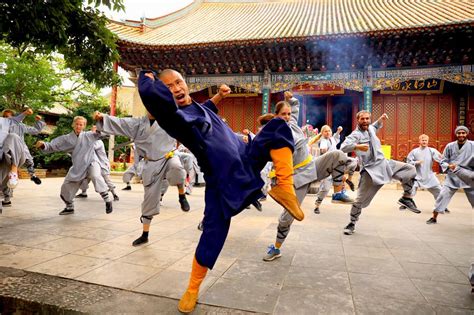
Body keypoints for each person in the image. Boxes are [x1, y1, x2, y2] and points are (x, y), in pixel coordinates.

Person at [138, 69, 304, 313]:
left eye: (179, 82)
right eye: (169, 86)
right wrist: (146, 77)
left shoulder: (198, 106)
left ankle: (285, 187)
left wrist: (220, 97)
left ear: (186, 83)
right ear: (164, 92)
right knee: (214, 233)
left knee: (278, 126)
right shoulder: (173, 117)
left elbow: (206, 107)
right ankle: (193, 288)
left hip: (245, 156)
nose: (177, 88)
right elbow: (154, 99)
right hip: (221, 177)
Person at [263, 93, 353, 262]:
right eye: (283, 114)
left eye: (289, 114)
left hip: (312, 166)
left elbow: (295, 108)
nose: (288, 117)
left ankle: (337, 193)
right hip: (296, 178)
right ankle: (276, 247)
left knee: (338, 155)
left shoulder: (294, 126)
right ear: (276, 116)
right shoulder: (274, 133)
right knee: (287, 217)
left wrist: (291, 99)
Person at [94, 110, 189, 246]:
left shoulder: (169, 120)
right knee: (149, 200)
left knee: (177, 168)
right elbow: (119, 122)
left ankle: (182, 195)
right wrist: (103, 118)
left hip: (168, 157)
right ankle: (145, 235)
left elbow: (189, 122)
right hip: (150, 163)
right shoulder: (137, 123)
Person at [340, 111, 419, 235]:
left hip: (384, 163)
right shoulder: (355, 135)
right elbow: (343, 147)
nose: (365, 121)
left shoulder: (371, 128)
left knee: (410, 169)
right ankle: (352, 223)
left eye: (367, 118)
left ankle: (406, 198)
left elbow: (375, 125)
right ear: (358, 120)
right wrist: (357, 147)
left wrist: (381, 119)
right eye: (363, 119)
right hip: (370, 170)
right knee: (359, 200)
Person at [36, 116, 113, 215]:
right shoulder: (66, 138)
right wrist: (43, 145)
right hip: (78, 166)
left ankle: (107, 200)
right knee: (66, 187)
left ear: (84, 126)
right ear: (73, 125)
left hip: (92, 162)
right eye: (77, 124)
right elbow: (52, 145)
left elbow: (104, 134)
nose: (78, 126)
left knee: (95, 175)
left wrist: (99, 124)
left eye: (81, 124)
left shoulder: (89, 135)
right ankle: (69, 207)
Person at [426, 126, 474, 224]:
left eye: (463, 133)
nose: (461, 135)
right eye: (459, 133)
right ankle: (434, 217)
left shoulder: (473, 145)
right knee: (442, 196)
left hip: (468, 177)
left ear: (466, 134)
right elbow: (443, 160)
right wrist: (448, 166)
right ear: (456, 134)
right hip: (452, 177)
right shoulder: (450, 146)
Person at [308, 124, 357, 214]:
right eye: (325, 131)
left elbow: (336, 138)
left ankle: (348, 180)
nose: (327, 133)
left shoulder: (332, 139)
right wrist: (324, 150)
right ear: (322, 133)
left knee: (353, 162)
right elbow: (323, 149)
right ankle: (317, 206)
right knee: (325, 189)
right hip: (327, 167)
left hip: (336, 165)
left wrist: (338, 131)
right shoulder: (323, 140)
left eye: (329, 131)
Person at [2, 108, 45, 185]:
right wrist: (25, 113)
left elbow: (35, 130)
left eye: (8, 116)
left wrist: (39, 122)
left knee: (29, 161)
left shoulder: (21, 126)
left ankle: (32, 175)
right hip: (6, 148)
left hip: (20, 148)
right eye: (4, 117)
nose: (6, 118)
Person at [403, 134, 444, 211]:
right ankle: (406, 203)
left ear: (428, 141)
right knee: (411, 189)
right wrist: (416, 162)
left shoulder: (432, 150)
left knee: (439, 190)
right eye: (423, 140)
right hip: (417, 175)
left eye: (425, 140)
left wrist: (444, 160)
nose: (424, 142)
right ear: (419, 141)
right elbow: (408, 162)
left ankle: (441, 205)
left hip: (429, 175)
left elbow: (440, 159)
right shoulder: (414, 151)